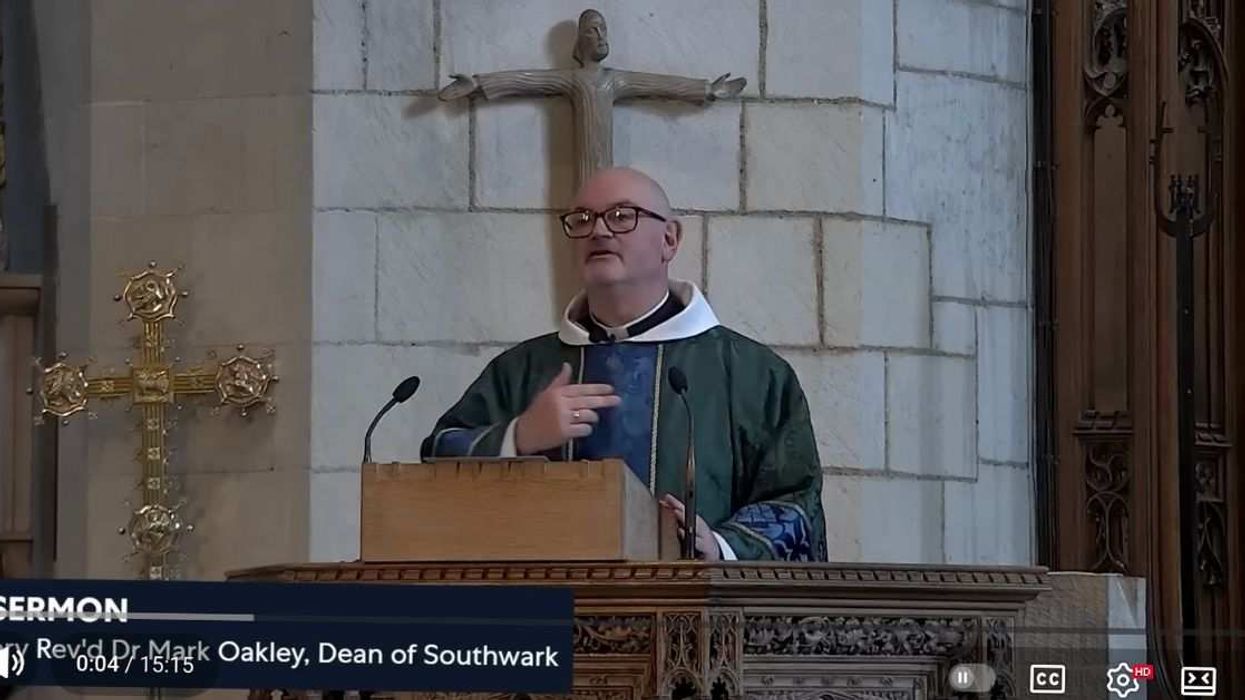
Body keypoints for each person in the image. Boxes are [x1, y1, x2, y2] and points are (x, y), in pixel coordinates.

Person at [420, 167, 827, 562]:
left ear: (669, 239)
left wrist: (721, 545)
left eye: (621, 216)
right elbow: (438, 454)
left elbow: (795, 501)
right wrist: (520, 435)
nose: (598, 230)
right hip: (542, 616)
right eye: (582, 219)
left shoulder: (751, 374)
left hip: (698, 618)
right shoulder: (523, 369)